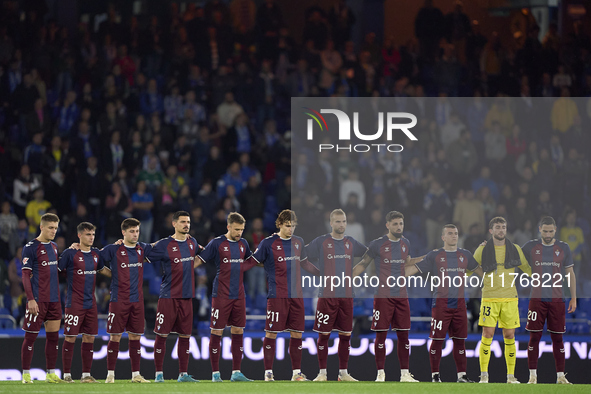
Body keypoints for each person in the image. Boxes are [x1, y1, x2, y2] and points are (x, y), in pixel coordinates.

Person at [405, 224, 483, 383]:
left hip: (460, 305)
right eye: (450, 233)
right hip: (441, 304)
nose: (454, 236)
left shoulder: (465, 255)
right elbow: (413, 270)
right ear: (443, 237)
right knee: (437, 340)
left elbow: (481, 272)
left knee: (459, 341)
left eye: (455, 233)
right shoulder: (435, 256)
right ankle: (435, 376)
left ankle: (462, 376)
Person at [352, 211, 423, 382]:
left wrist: (427, 258)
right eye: (396, 224)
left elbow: (407, 264)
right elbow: (363, 263)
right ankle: (380, 374)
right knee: (381, 335)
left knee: (404, 335)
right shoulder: (377, 244)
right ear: (388, 225)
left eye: (401, 224)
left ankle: (405, 374)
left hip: (401, 296)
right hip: (383, 296)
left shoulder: (405, 243)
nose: (399, 227)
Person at [249, 209, 319, 382]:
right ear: (279, 224)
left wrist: (322, 273)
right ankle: (268, 373)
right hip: (277, 295)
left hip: (296, 296)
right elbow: (253, 261)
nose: (291, 229)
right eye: (288, 226)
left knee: (297, 334)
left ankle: (296, 373)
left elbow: (305, 263)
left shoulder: (299, 242)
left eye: (293, 226)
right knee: (271, 333)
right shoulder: (268, 243)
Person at [306, 209, 367, 382]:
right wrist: (317, 272)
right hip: (327, 296)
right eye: (338, 221)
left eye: (344, 221)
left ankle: (343, 373)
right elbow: (302, 256)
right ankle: (322, 373)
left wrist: (356, 271)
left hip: (347, 295)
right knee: (323, 335)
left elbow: (369, 254)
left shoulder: (351, 242)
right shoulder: (321, 241)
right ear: (331, 223)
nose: (341, 225)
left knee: (346, 335)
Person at [195, 212, 257, 382]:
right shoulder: (217, 243)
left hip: (239, 295)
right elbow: (199, 260)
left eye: (242, 230)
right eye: (236, 229)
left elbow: (252, 260)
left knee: (238, 331)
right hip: (221, 294)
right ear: (228, 227)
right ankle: (215, 374)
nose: (239, 233)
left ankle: (236, 372)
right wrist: (182, 267)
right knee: (216, 331)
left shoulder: (243, 243)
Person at [146, 211, 203, 383]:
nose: (187, 225)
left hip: (187, 297)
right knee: (162, 335)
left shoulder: (192, 242)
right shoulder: (164, 244)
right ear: (174, 224)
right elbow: (144, 253)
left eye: (188, 222)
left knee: (185, 336)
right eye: (183, 222)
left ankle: (183, 374)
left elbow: (202, 255)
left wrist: (192, 265)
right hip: (168, 296)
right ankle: (158, 375)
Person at [473, 217, 531, 384]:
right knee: (487, 334)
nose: (501, 230)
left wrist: (542, 275)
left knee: (510, 335)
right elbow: (470, 267)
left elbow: (527, 269)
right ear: (491, 230)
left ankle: (510, 377)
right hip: (489, 298)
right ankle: (484, 376)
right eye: (497, 227)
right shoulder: (483, 250)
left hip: (509, 299)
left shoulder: (515, 249)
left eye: (503, 227)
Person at [521, 216, 576, 384]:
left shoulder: (563, 247)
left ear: (555, 230)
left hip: (557, 300)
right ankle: (532, 377)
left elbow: (570, 273)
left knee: (558, 338)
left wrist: (573, 297)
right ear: (539, 229)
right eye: (545, 231)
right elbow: (512, 255)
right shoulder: (530, 246)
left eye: (550, 231)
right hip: (536, 299)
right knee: (534, 337)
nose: (547, 234)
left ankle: (560, 377)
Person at [98, 218, 151, 383]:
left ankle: (136, 375)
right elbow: (95, 259)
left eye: (137, 231)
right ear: (124, 232)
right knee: (115, 337)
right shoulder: (113, 249)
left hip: (137, 300)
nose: (135, 235)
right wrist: (109, 273)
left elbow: (159, 247)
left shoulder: (142, 249)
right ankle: (110, 375)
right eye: (132, 231)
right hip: (118, 299)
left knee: (136, 337)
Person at [58, 222, 105, 383]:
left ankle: (86, 375)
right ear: (79, 235)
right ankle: (66, 375)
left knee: (89, 338)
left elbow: (103, 268)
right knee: (70, 337)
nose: (91, 237)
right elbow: (57, 269)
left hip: (91, 303)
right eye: (87, 234)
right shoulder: (70, 253)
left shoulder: (96, 254)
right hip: (74, 303)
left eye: (93, 234)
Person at [20, 213, 64, 384]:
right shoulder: (30, 247)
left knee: (53, 338)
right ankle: (25, 374)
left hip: (54, 300)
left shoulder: (54, 247)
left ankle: (51, 373)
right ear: (42, 227)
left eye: (55, 228)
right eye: (51, 228)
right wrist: (30, 299)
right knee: (30, 337)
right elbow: (25, 276)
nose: (54, 231)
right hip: (37, 300)